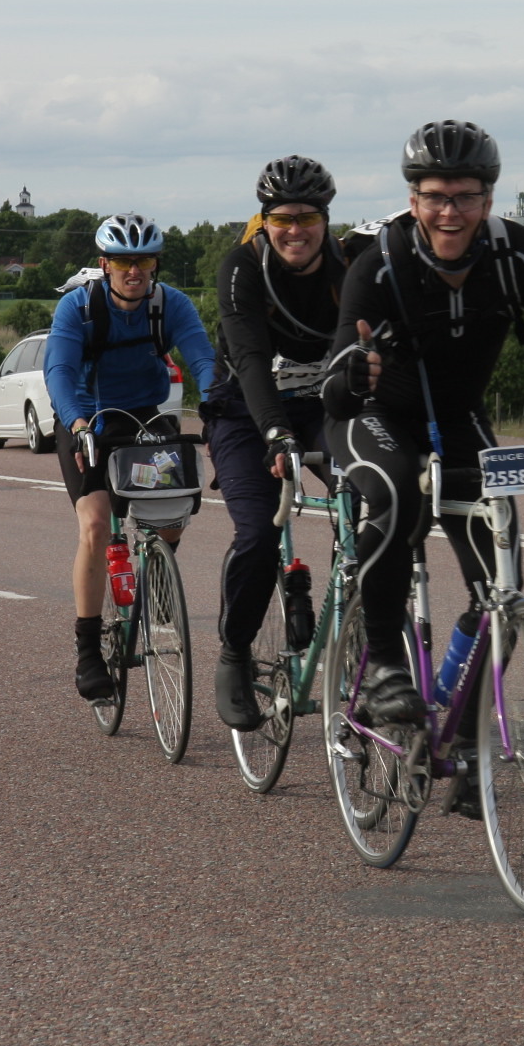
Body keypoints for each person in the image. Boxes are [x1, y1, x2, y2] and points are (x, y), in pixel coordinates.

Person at [322, 120, 524, 756]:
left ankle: (465, 741)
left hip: (459, 421)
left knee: (500, 588)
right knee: (397, 489)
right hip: (374, 416)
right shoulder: (380, 261)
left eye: (466, 197)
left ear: (489, 199)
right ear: (414, 199)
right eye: (436, 197)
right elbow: (336, 388)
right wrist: (355, 374)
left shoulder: (516, 254)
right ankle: (385, 663)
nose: (451, 212)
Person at [202, 155, 354, 731]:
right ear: (264, 222)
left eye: (307, 217)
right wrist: (274, 432)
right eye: (283, 218)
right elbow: (248, 358)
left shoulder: (346, 267)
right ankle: (235, 652)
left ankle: (357, 620)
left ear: (325, 220)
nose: (295, 229)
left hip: (319, 407)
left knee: (372, 500)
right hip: (245, 412)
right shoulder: (243, 267)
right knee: (259, 534)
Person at [44, 213, 216, 703]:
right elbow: (59, 372)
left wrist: (217, 407)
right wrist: (78, 426)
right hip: (87, 419)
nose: (133, 270)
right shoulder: (78, 308)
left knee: (174, 510)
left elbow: (203, 359)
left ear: (155, 264)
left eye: (143, 261)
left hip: (145, 415)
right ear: (105, 264)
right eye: (123, 262)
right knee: (97, 525)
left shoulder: (170, 304)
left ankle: (158, 577)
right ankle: (88, 650)